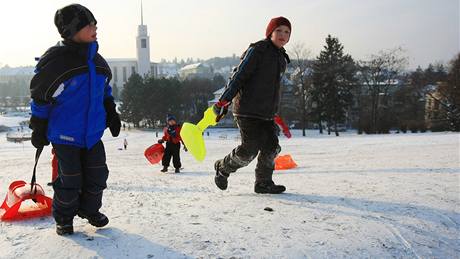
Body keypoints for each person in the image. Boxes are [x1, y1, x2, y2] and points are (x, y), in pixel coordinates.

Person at [29, 4, 121, 235]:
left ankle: (90, 210)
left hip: (92, 135)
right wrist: (38, 127)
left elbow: (104, 91)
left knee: (98, 175)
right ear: (71, 31)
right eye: (88, 24)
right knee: (70, 179)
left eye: (94, 22)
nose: (95, 26)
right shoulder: (58, 64)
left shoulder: (98, 62)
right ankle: (64, 218)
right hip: (65, 135)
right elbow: (41, 98)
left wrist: (111, 111)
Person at [212, 17, 292, 194]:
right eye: (278, 30)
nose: (283, 35)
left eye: (286, 32)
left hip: (267, 113)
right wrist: (224, 99)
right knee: (249, 150)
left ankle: (263, 183)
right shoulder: (258, 50)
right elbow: (239, 75)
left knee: (272, 147)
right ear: (270, 33)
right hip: (247, 110)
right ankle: (223, 168)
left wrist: (275, 111)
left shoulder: (281, 57)